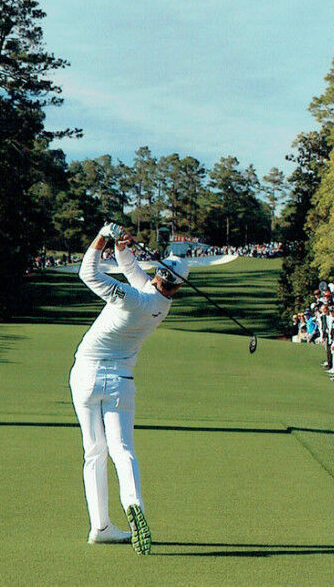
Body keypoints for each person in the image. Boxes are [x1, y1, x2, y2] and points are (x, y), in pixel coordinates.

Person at [70, 224, 188, 554]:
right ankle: (134, 505)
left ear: (158, 274)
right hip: (120, 381)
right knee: (123, 450)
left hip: (85, 376)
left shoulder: (132, 298)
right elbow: (138, 278)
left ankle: (100, 526)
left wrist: (103, 237)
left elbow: (88, 274)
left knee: (94, 452)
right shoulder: (159, 305)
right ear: (175, 287)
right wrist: (123, 251)